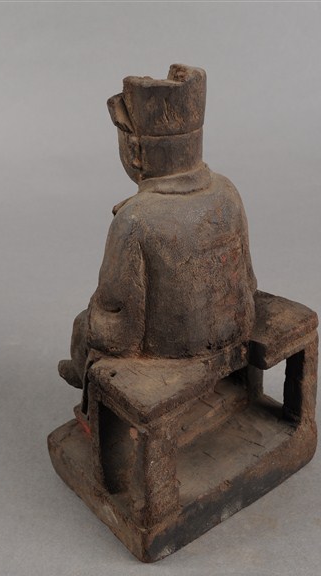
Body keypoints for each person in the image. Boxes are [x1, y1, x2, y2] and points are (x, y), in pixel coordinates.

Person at [59, 64, 257, 390]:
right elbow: (249, 282)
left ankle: (82, 375)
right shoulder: (227, 191)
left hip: (173, 353)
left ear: (135, 152)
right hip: (235, 327)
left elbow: (120, 331)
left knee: (84, 324)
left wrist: (93, 316)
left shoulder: (135, 220)